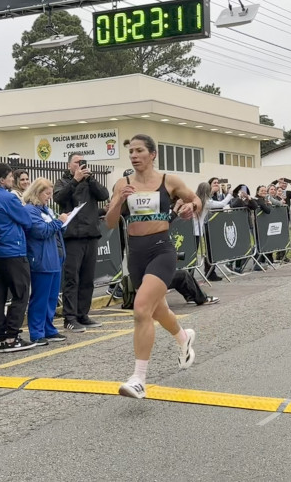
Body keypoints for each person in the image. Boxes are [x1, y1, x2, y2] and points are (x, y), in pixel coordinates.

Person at [105, 134, 202, 399]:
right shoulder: (122, 183)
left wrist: (190, 208)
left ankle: (138, 379)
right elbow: (111, 222)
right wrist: (117, 201)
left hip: (161, 249)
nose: (134, 156)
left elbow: (196, 200)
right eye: (131, 152)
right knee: (158, 310)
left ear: (152, 154)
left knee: (141, 309)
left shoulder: (167, 181)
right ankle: (184, 338)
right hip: (135, 253)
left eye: (139, 151)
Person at [0, 163, 37, 352]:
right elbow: (27, 221)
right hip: (12, 251)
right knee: (21, 293)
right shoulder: (8, 197)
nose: (13, 180)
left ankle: (2, 336)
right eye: (11, 177)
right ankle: (12, 336)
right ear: (2, 180)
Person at [54, 153, 110, 333]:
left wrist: (90, 179)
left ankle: (82, 314)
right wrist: (75, 181)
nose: (81, 165)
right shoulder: (63, 182)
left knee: (87, 279)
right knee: (72, 278)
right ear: (70, 165)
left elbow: (104, 194)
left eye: (82, 162)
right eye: (77, 163)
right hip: (73, 237)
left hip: (91, 234)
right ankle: (69, 317)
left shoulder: (90, 181)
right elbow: (59, 199)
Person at [23, 178, 70, 346]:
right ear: (37, 192)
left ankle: (48, 328)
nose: (49, 197)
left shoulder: (45, 209)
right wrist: (59, 222)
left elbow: (54, 229)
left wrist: (62, 223)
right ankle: (36, 332)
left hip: (54, 258)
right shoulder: (30, 210)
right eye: (47, 193)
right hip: (42, 259)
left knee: (51, 298)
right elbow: (40, 231)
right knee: (40, 297)